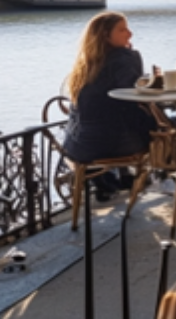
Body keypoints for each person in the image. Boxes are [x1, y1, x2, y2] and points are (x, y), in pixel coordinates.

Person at [61, 12, 157, 200]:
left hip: (79, 146)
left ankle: (108, 178)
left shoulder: (85, 67)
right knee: (170, 130)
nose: (130, 34)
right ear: (105, 35)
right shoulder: (123, 58)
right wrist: (133, 56)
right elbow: (134, 93)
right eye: (122, 30)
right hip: (115, 145)